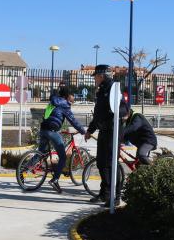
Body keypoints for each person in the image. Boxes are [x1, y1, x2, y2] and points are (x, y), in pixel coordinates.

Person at [84, 64, 128, 206]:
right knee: (101, 163)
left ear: (101, 76)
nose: (94, 79)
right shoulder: (102, 89)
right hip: (105, 130)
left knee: (110, 163)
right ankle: (104, 193)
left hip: (113, 131)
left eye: (95, 76)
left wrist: (112, 112)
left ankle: (115, 196)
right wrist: (90, 130)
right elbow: (98, 113)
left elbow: (125, 109)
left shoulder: (113, 88)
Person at [38, 86, 86, 193]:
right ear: (67, 96)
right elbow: (73, 121)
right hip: (52, 131)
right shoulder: (65, 105)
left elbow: (48, 115)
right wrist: (83, 131)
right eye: (73, 95)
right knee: (63, 157)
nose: (74, 97)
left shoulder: (53, 101)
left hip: (43, 129)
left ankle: (23, 169)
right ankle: (55, 180)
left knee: (40, 153)